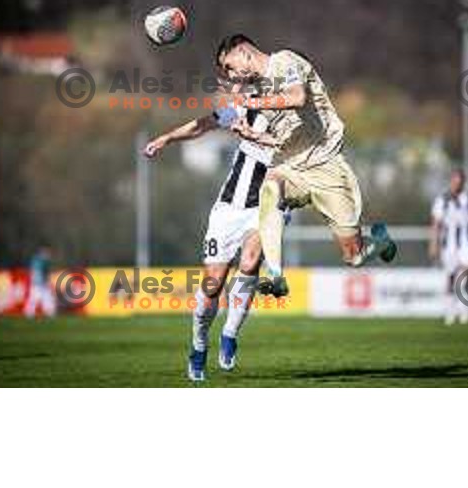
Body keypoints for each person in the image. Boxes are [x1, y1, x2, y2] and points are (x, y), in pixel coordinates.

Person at [216, 34, 397, 297]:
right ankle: (276, 275)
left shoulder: (285, 61)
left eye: (229, 66)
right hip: (290, 166)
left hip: (325, 164)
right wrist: (255, 136)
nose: (230, 75)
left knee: (354, 257)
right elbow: (285, 138)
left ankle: (380, 243)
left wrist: (252, 102)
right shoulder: (260, 89)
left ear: (244, 52)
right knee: (270, 189)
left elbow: (297, 97)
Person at [143, 104, 276, 382]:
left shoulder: (299, 121)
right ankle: (199, 344)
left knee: (251, 261)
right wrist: (166, 138)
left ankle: (229, 333)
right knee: (213, 283)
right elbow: (202, 124)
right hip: (228, 209)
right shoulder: (243, 107)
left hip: (267, 206)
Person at [429, 169, 468, 324]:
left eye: (459, 181)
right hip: (449, 244)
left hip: (467, 242)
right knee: (451, 276)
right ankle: (450, 311)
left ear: (463, 182)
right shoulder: (442, 199)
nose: (456, 184)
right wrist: (433, 243)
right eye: (454, 181)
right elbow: (436, 223)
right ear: (451, 182)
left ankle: (464, 309)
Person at [24, 246, 56, 318]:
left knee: (45, 299)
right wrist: (46, 282)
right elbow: (39, 273)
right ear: (42, 253)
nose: (48, 255)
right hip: (38, 284)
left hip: (38, 283)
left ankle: (49, 313)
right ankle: (29, 313)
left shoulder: (37, 260)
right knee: (36, 299)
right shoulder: (40, 261)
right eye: (47, 253)